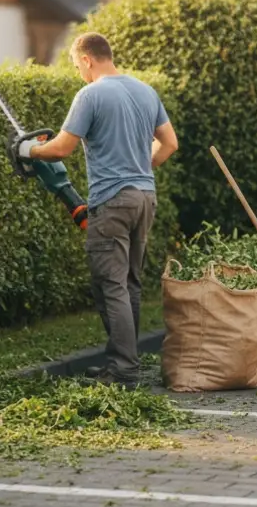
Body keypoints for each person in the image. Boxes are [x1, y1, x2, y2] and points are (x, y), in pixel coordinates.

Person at [16, 32, 178, 388]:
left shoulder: (91, 94)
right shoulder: (145, 90)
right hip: (144, 198)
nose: (79, 73)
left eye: (77, 66)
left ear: (87, 59)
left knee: (111, 285)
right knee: (130, 284)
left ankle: (123, 370)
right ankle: (123, 363)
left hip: (113, 201)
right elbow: (169, 143)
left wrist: (30, 151)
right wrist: (140, 169)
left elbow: (61, 148)